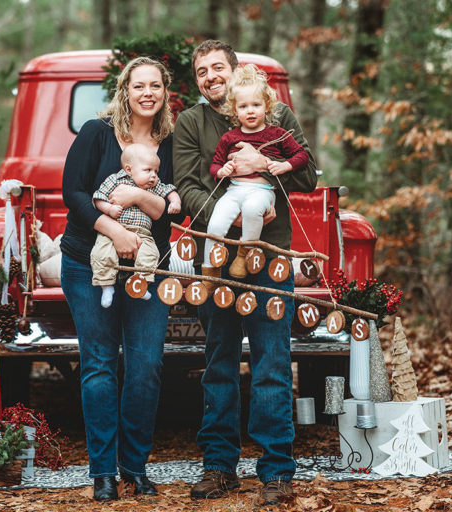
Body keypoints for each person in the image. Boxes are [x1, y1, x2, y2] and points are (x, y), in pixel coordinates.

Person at [173, 40, 318, 505]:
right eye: (202, 71)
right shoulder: (193, 122)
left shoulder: (276, 116)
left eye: (219, 68)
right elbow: (188, 184)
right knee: (217, 364)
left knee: (272, 362)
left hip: (270, 256)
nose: (211, 76)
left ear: (237, 72)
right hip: (215, 258)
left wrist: (263, 167)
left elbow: (308, 175)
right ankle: (219, 466)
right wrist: (233, 215)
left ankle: (277, 470)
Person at [60, 56, 176, 501]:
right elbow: (73, 191)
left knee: (146, 367)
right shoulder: (96, 133)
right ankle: (103, 471)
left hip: (148, 267)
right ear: (125, 90)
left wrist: (136, 198)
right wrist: (114, 229)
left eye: (156, 86)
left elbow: (167, 212)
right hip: (88, 263)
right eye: (138, 86)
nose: (147, 93)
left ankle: (135, 467)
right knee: (99, 367)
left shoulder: (169, 143)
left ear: (165, 93)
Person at [203, 64, 310, 288]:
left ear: (267, 106)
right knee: (216, 222)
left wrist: (285, 166)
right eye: (243, 106)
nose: (250, 111)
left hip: (262, 192)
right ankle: (209, 268)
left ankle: (244, 254)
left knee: (253, 211)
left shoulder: (277, 134)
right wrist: (221, 172)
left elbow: (302, 155)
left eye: (256, 105)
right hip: (234, 190)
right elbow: (215, 164)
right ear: (234, 110)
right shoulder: (229, 138)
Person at [91, 143, 181, 307]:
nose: (153, 175)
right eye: (148, 170)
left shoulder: (154, 185)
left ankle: (141, 283)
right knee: (102, 253)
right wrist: (109, 209)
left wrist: (175, 202)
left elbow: (169, 190)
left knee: (150, 254)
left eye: (156, 171)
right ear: (129, 169)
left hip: (143, 233)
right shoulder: (115, 180)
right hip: (111, 231)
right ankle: (106, 286)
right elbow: (98, 198)